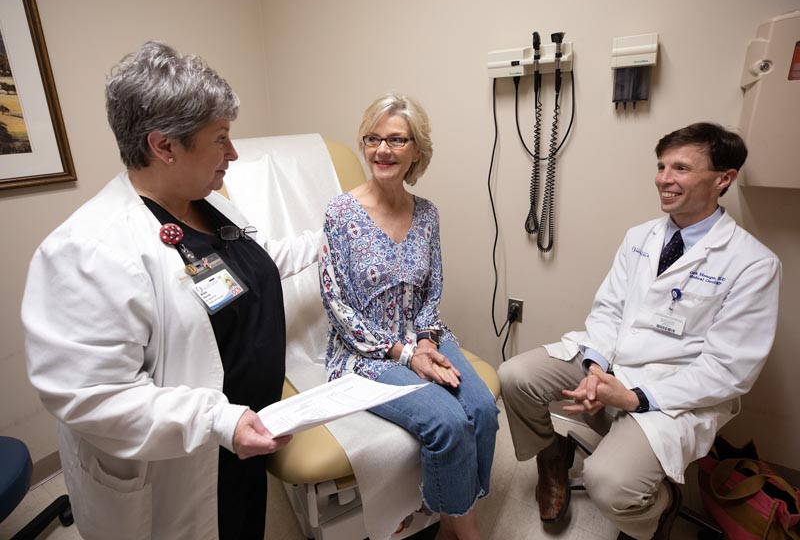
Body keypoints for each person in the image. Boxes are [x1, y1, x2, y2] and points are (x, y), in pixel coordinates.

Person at [22, 41, 320, 540]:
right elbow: (92, 396)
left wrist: (330, 238)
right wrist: (218, 421)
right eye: (221, 138)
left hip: (239, 443)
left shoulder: (208, 205)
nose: (234, 153)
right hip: (179, 461)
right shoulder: (89, 251)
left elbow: (259, 263)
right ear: (164, 146)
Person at [498, 122, 781, 540]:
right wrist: (595, 368)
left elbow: (729, 369)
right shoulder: (639, 237)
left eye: (681, 168)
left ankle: (656, 514)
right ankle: (552, 458)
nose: (664, 179)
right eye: (662, 166)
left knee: (609, 486)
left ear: (724, 179)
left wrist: (634, 397)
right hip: (611, 360)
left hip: (674, 390)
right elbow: (609, 309)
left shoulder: (753, 264)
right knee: (515, 376)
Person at [319, 93, 499, 540]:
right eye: (373, 139)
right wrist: (403, 354)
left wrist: (425, 342)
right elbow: (335, 303)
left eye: (397, 140)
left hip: (421, 337)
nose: (383, 150)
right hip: (367, 352)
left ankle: (451, 523)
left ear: (417, 149)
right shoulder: (340, 214)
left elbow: (432, 289)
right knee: (448, 421)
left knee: (482, 409)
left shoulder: (427, 214)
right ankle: (465, 530)